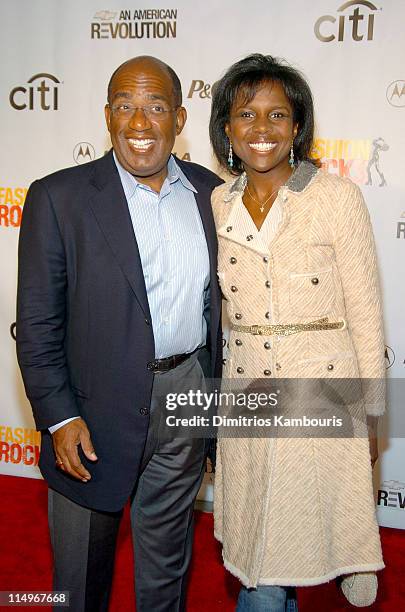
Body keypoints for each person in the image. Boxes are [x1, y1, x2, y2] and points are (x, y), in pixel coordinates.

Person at [16, 55, 223, 612]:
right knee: (79, 581)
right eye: (126, 106)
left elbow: (221, 312)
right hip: (91, 408)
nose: (139, 123)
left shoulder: (213, 195)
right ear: (107, 115)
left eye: (156, 107)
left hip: (186, 394)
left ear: (179, 119)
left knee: (168, 565)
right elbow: (36, 324)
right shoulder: (57, 198)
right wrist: (58, 416)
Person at [209, 54, 385, 611]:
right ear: (228, 129)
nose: (262, 130)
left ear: (298, 127)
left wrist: (374, 411)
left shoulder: (336, 198)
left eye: (277, 115)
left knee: (287, 552)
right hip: (248, 395)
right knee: (262, 551)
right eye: (247, 115)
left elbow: (366, 308)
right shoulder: (218, 201)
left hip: (321, 390)